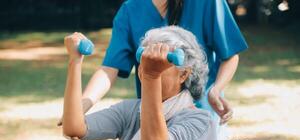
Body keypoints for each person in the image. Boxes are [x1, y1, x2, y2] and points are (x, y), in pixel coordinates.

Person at [63, 26, 220, 140]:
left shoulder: (201, 122)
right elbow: (74, 127)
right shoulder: (131, 111)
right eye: (144, 61)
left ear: (183, 75)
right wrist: (75, 61)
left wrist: (152, 75)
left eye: (159, 64)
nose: (145, 68)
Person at [58, 0, 248, 129]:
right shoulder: (130, 10)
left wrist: (216, 90)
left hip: (201, 114)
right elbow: (109, 69)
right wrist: (80, 107)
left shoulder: (207, 3)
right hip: (155, 116)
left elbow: (230, 55)